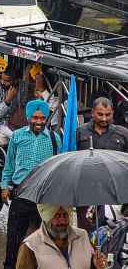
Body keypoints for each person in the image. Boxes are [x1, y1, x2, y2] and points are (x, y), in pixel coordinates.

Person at [0, 99, 61, 269]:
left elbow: (58, 169)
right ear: (28, 117)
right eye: (35, 117)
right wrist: (5, 186)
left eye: (43, 118)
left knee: (44, 241)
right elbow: (9, 165)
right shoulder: (17, 136)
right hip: (21, 195)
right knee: (13, 239)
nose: (39, 121)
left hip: (44, 197)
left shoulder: (54, 139)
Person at [76, 96, 128, 230]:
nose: (104, 118)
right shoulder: (81, 132)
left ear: (113, 113)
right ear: (92, 112)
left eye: (108, 115)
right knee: (86, 232)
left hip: (114, 192)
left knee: (112, 233)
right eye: (100, 114)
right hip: (87, 192)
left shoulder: (122, 133)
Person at [16, 204, 108, 269]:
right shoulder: (31, 246)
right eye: (57, 216)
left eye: (65, 215)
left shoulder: (82, 236)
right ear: (47, 217)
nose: (62, 221)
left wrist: (96, 265)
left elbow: (92, 263)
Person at [0, 69, 19, 145]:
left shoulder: (17, 88)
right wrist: (8, 100)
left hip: (14, 124)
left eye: (7, 81)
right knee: (19, 138)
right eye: (2, 79)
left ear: (15, 81)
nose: (3, 82)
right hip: (0, 125)